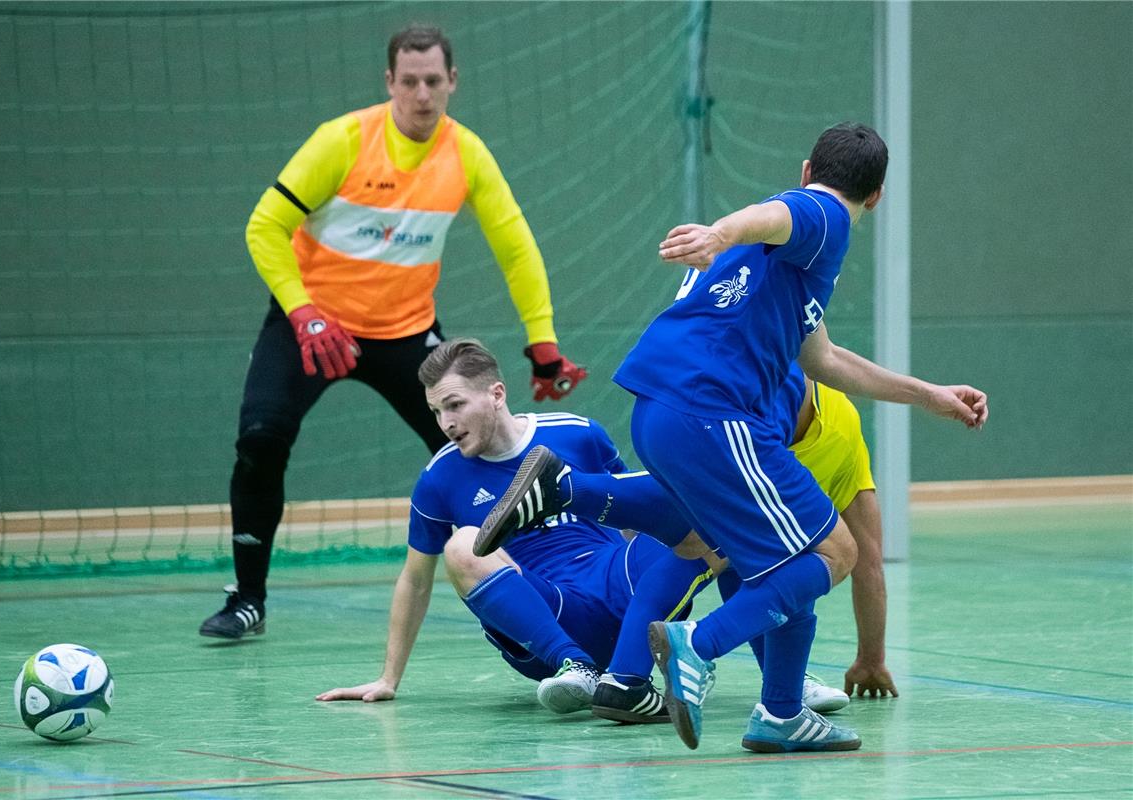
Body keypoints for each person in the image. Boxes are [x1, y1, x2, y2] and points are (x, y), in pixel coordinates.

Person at [199, 25, 586, 639]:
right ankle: (247, 598)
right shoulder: (343, 141)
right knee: (260, 438)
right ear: (389, 83)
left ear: (453, 82)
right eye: (410, 82)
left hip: (405, 332)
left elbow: (515, 247)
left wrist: (543, 342)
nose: (423, 95)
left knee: (479, 440)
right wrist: (304, 312)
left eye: (434, 81)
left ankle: (552, 582)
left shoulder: (466, 153)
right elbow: (264, 225)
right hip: (312, 324)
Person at [613, 122, 986, 753]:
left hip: (665, 413)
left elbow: (824, 361)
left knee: (782, 565)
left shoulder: (795, 268)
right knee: (837, 553)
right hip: (710, 412)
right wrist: (720, 232)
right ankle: (694, 646)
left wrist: (929, 396)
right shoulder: (825, 216)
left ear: (809, 164)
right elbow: (778, 212)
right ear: (877, 197)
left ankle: (781, 714)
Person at [478, 359, 900, 718]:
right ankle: (708, 657)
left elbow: (867, 562)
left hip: (670, 404)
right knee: (763, 553)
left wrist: (871, 658)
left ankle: (628, 677)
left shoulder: (831, 424)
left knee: (735, 552)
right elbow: (866, 562)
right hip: (694, 412)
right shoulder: (771, 384)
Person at [315, 338, 712, 719]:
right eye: (436, 411)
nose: (446, 423)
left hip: (618, 579)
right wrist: (388, 678)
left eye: (455, 405)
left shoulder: (576, 432)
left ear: (497, 394)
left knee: (700, 516)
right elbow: (416, 580)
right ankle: (576, 669)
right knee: (463, 545)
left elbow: (637, 515)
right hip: (553, 612)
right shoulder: (440, 477)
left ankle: (687, 651)